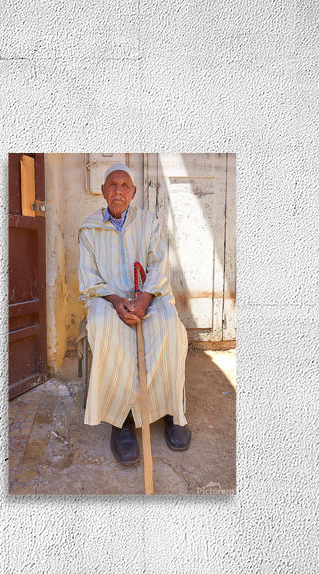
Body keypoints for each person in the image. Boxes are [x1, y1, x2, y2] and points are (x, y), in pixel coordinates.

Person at [77, 162, 192, 465]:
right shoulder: (89, 228)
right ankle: (123, 420)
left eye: (124, 185)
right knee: (103, 326)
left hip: (147, 295)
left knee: (169, 325)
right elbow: (89, 279)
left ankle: (170, 411)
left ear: (133, 192)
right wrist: (116, 302)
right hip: (108, 298)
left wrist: (143, 301)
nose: (118, 190)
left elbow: (158, 266)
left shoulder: (149, 222)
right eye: (112, 185)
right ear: (103, 192)